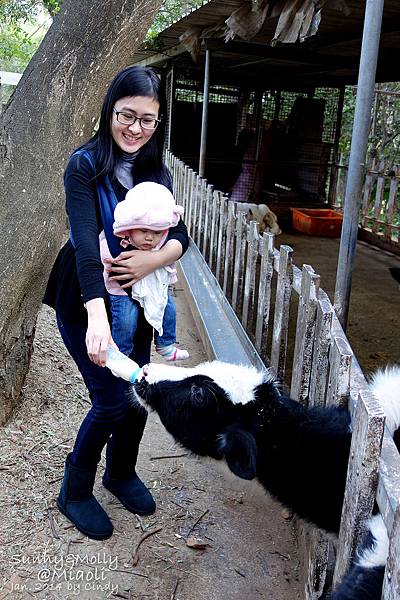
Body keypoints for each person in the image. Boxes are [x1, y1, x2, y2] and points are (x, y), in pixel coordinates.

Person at [43, 66, 189, 540]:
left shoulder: (156, 170)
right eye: (127, 115)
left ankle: (121, 473)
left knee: (138, 392)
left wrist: (148, 264)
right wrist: (97, 318)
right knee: (110, 399)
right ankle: (75, 489)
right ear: (110, 110)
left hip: (140, 298)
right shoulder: (84, 164)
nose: (136, 128)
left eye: (148, 120)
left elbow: (179, 236)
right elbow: (87, 244)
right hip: (87, 296)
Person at [100, 181, 189, 362]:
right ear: (130, 227)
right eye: (143, 231)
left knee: (168, 308)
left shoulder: (161, 240)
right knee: (126, 318)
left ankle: (165, 343)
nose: (150, 237)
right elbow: (105, 252)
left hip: (153, 285)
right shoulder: (119, 240)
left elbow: (179, 236)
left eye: (156, 233)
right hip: (123, 288)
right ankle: (120, 353)